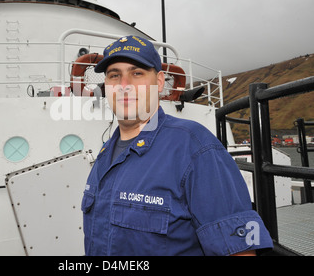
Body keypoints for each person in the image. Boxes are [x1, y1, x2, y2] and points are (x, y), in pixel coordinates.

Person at [81, 35, 273, 256]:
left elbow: (241, 251)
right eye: (114, 75)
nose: (124, 86)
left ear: (159, 82)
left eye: (137, 73)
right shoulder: (106, 152)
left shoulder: (195, 147)